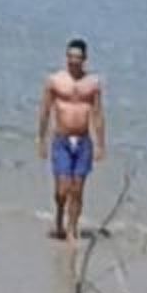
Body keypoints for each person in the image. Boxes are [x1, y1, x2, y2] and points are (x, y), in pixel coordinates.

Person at [37, 39, 105, 242]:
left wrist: (101, 143)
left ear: (84, 59)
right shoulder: (55, 80)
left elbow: (98, 114)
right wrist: (41, 139)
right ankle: (59, 216)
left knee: (78, 188)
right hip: (62, 140)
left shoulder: (92, 83)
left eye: (77, 57)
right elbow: (45, 110)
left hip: (83, 141)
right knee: (62, 189)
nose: (73, 61)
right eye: (70, 57)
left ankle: (72, 228)